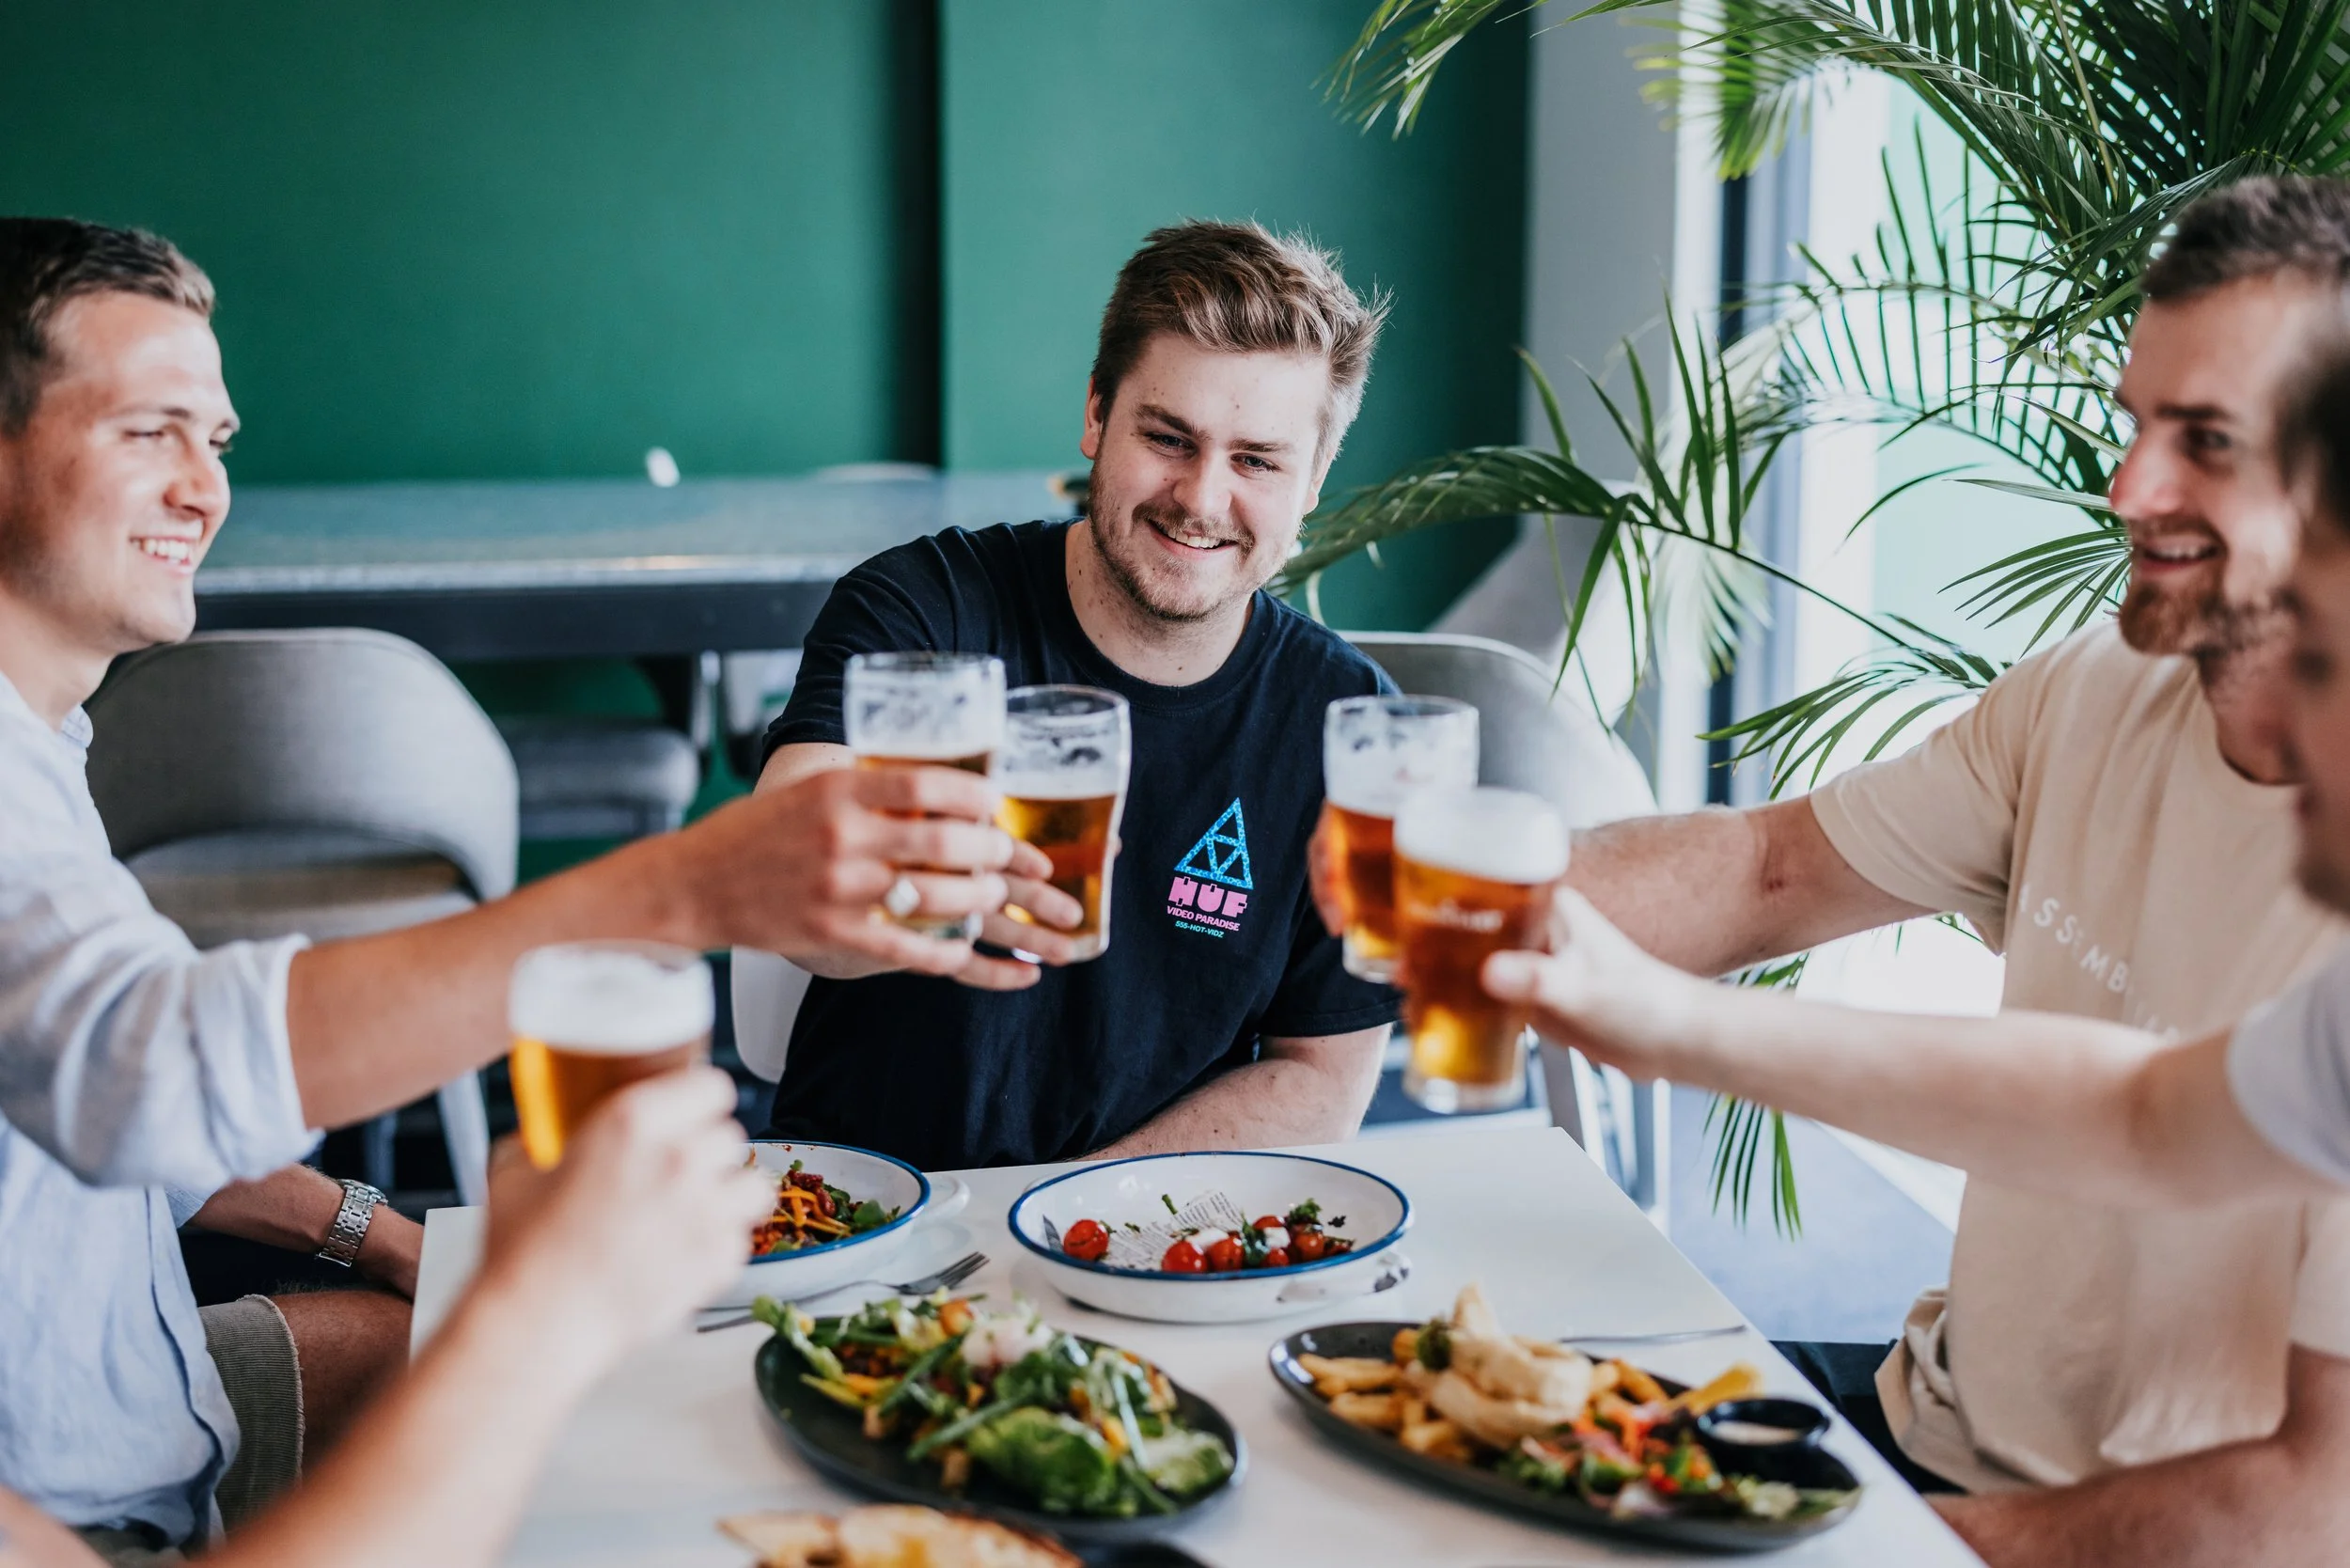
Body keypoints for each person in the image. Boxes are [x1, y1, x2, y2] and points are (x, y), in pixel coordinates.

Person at [1311, 175, 2350, 1560]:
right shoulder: (2095, 693)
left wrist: (1896, 1550)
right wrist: (1492, 930)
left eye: (2205, 441)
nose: (2127, 489)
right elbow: (2122, 1104)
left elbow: (2313, 1506)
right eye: (2134, 426)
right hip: (1920, 1432)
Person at [0, 216, 1047, 1560]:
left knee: (657, 1412)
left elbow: (99, 1100)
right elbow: (135, 1060)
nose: (206, 490)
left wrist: (396, 1238)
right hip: (90, 1505)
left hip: (163, 1403)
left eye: (218, 441)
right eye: (151, 431)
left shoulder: (44, 737)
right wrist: (684, 889)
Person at [752, 220, 1401, 1169]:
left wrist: (1069, 1213)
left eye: (1256, 460)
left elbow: (1322, 1080)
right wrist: (957, 893)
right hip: (868, 1219)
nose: (1202, 498)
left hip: (1147, 1237)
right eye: (1168, 438)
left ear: (1311, 484)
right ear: (1096, 416)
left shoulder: (1348, 721)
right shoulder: (921, 609)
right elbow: (781, 879)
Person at [0, 1066, 774, 1568]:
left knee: (417, 1342)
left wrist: (391, 1240)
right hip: (42, 1508)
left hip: (108, 1368)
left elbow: (104, 1101)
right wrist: (536, 1315)